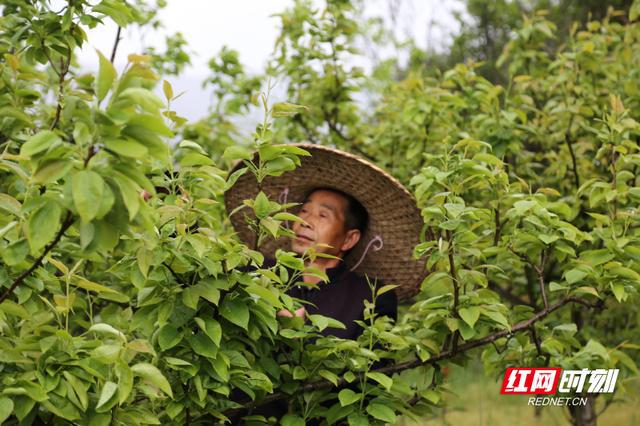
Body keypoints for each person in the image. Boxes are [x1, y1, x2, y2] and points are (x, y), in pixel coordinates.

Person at [224, 143, 426, 422]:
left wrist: (302, 336)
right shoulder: (258, 272)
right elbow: (203, 281)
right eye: (304, 212)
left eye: (322, 216)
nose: (305, 222)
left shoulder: (371, 297)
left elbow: (370, 381)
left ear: (349, 239)